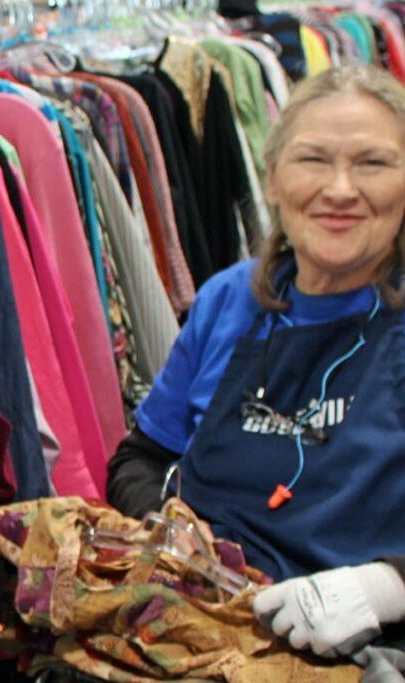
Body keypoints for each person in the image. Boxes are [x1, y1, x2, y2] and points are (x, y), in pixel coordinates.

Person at [107, 64, 405, 662]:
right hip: (198, 641)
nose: (341, 189)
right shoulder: (228, 299)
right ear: (270, 179)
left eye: (372, 163)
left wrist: (385, 587)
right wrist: (181, 538)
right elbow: (139, 459)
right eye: (313, 160)